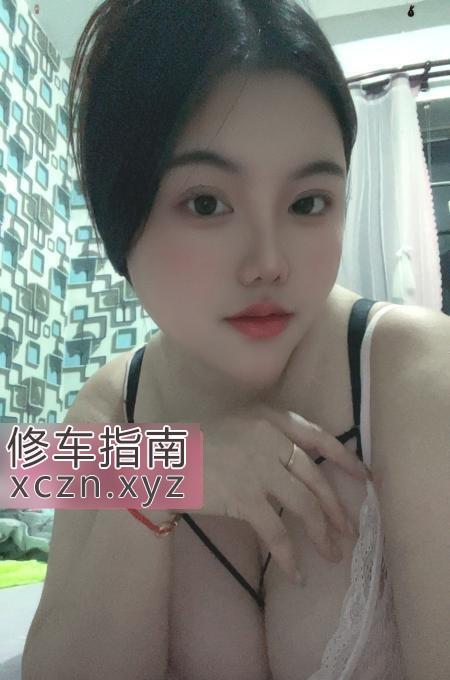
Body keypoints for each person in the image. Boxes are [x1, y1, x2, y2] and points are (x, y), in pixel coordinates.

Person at [23, 1, 410, 678]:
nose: (269, 263)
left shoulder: (413, 373)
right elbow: (19, 468)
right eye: (206, 203)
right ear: (120, 212)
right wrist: (169, 468)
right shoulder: (109, 403)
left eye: (308, 203)